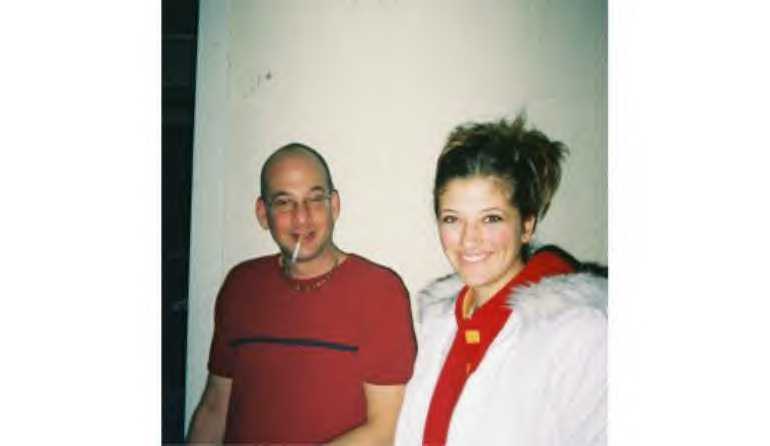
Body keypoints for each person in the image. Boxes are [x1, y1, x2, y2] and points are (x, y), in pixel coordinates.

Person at [394, 114, 607, 445]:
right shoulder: (438, 324)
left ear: (527, 225)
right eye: (452, 219)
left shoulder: (582, 333)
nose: (469, 239)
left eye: (491, 219)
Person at [187, 143, 417, 445]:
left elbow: (384, 431)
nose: (302, 218)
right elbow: (215, 407)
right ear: (263, 214)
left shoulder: (379, 291)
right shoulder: (240, 285)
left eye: (315, 199)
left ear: (334, 206)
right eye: (284, 203)